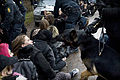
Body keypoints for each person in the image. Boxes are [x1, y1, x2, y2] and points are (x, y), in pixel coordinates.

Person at [11, 34, 79, 80]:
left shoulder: (16, 56)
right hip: (41, 77)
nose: (31, 41)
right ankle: (71, 74)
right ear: (23, 45)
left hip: (28, 76)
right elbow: (47, 69)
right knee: (61, 75)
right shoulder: (35, 52)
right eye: (28, 40)